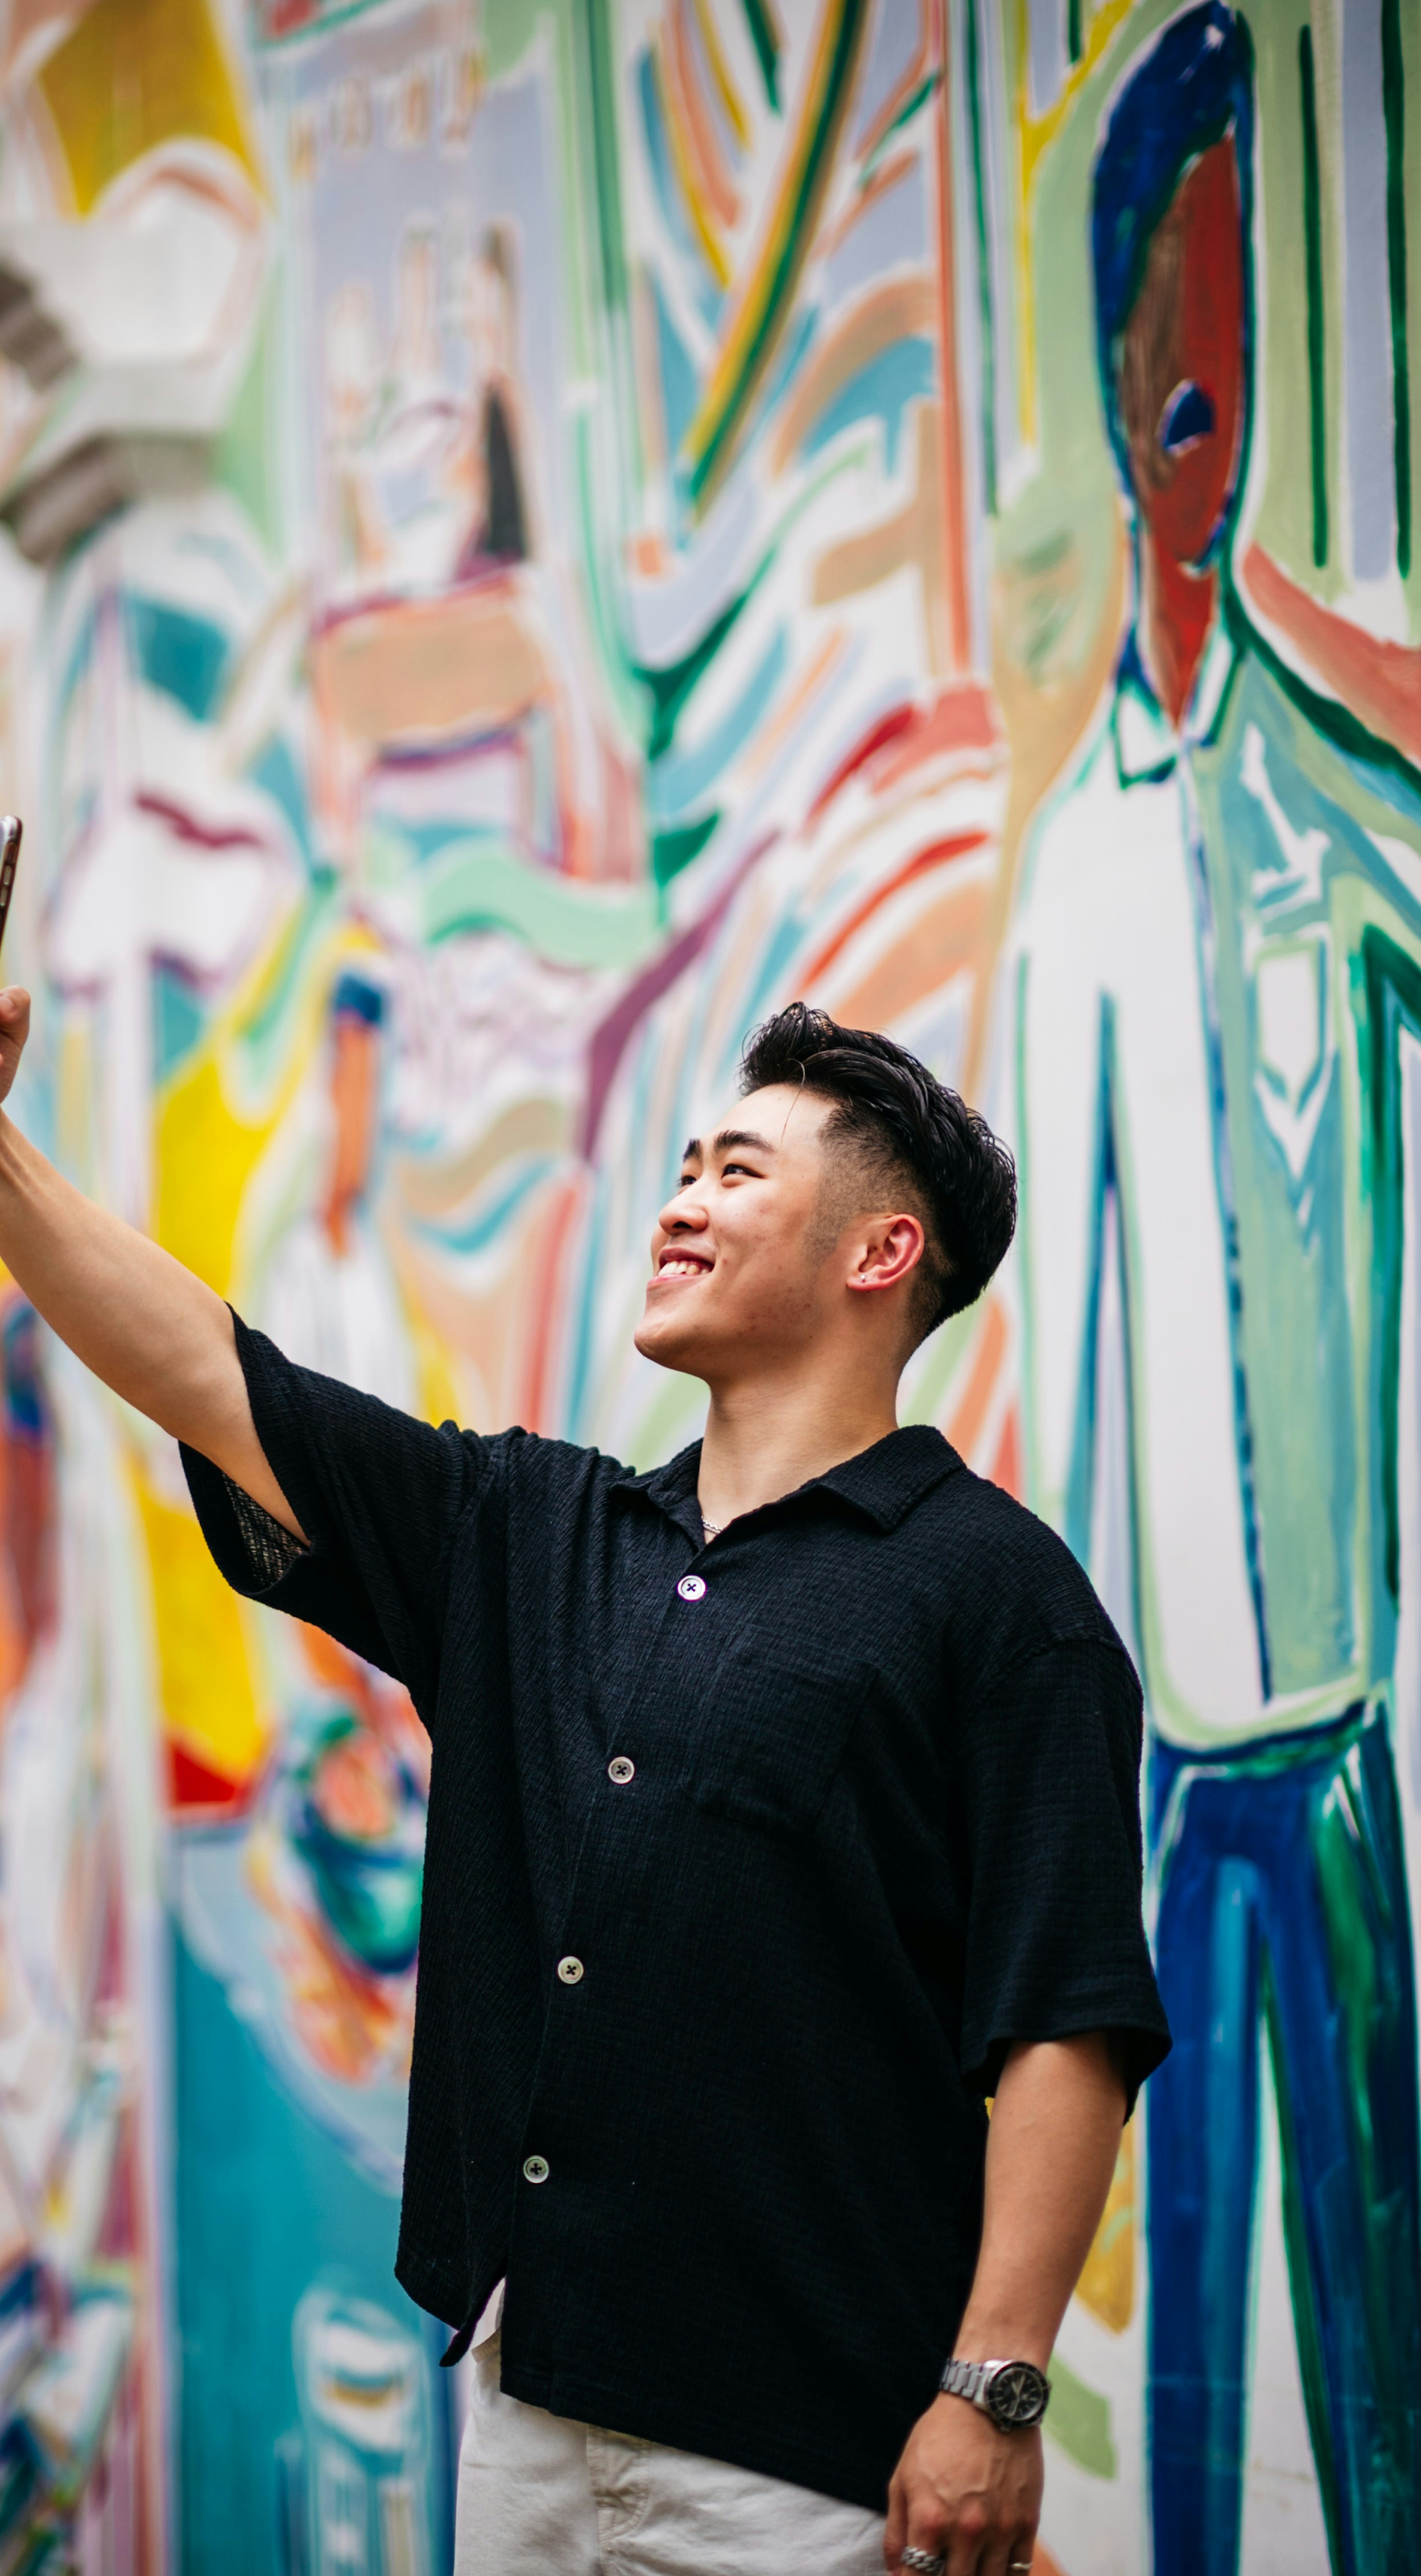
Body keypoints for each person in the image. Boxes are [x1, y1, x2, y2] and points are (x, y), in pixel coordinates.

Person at [0, 939, 1170, 2574]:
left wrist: (991, 2392)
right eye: (685, 1167)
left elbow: (1066, 2019)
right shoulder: (533, 1532)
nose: (680, 1201)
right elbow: (213, 1377)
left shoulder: (1002, 1602)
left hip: (811, 2461)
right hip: (523, 2412)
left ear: (882, 1252)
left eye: (738, 1172)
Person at [1013, 9, 1421, 2565]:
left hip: (1352, 1747)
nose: (1212, 464)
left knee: (1373, 2362)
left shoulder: (1333, 809)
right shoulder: (1071, 879)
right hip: (1163, 1765)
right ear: (1118, 387)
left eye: (1239, 401)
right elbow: (1058, 1363)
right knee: (1178, 2379)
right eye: (1176, 408)